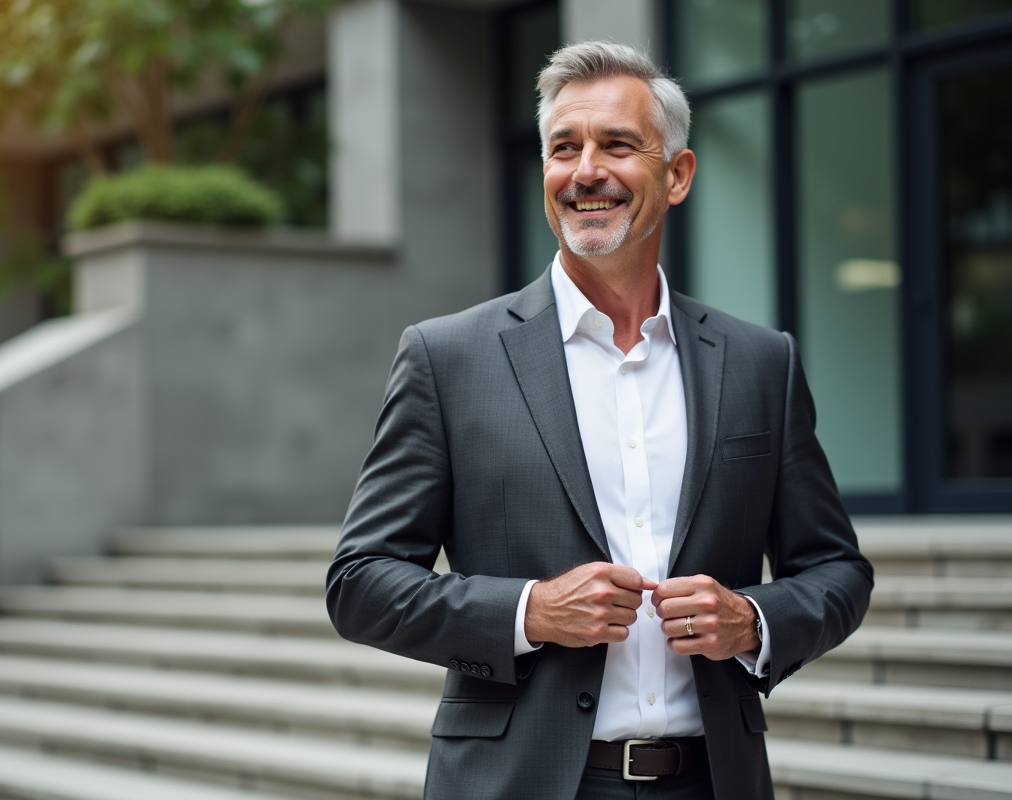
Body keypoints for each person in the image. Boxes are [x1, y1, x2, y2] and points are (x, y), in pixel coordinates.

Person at [326, 41, 872, 800]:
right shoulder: (446, 358)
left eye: (617, 144)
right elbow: (359, 583)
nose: (586, 171)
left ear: (676, 175)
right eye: (564, 148)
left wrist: (752, 619)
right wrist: (530, 611)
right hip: (521, 782)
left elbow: (838, 572)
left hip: (712, 782)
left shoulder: (759, 362)